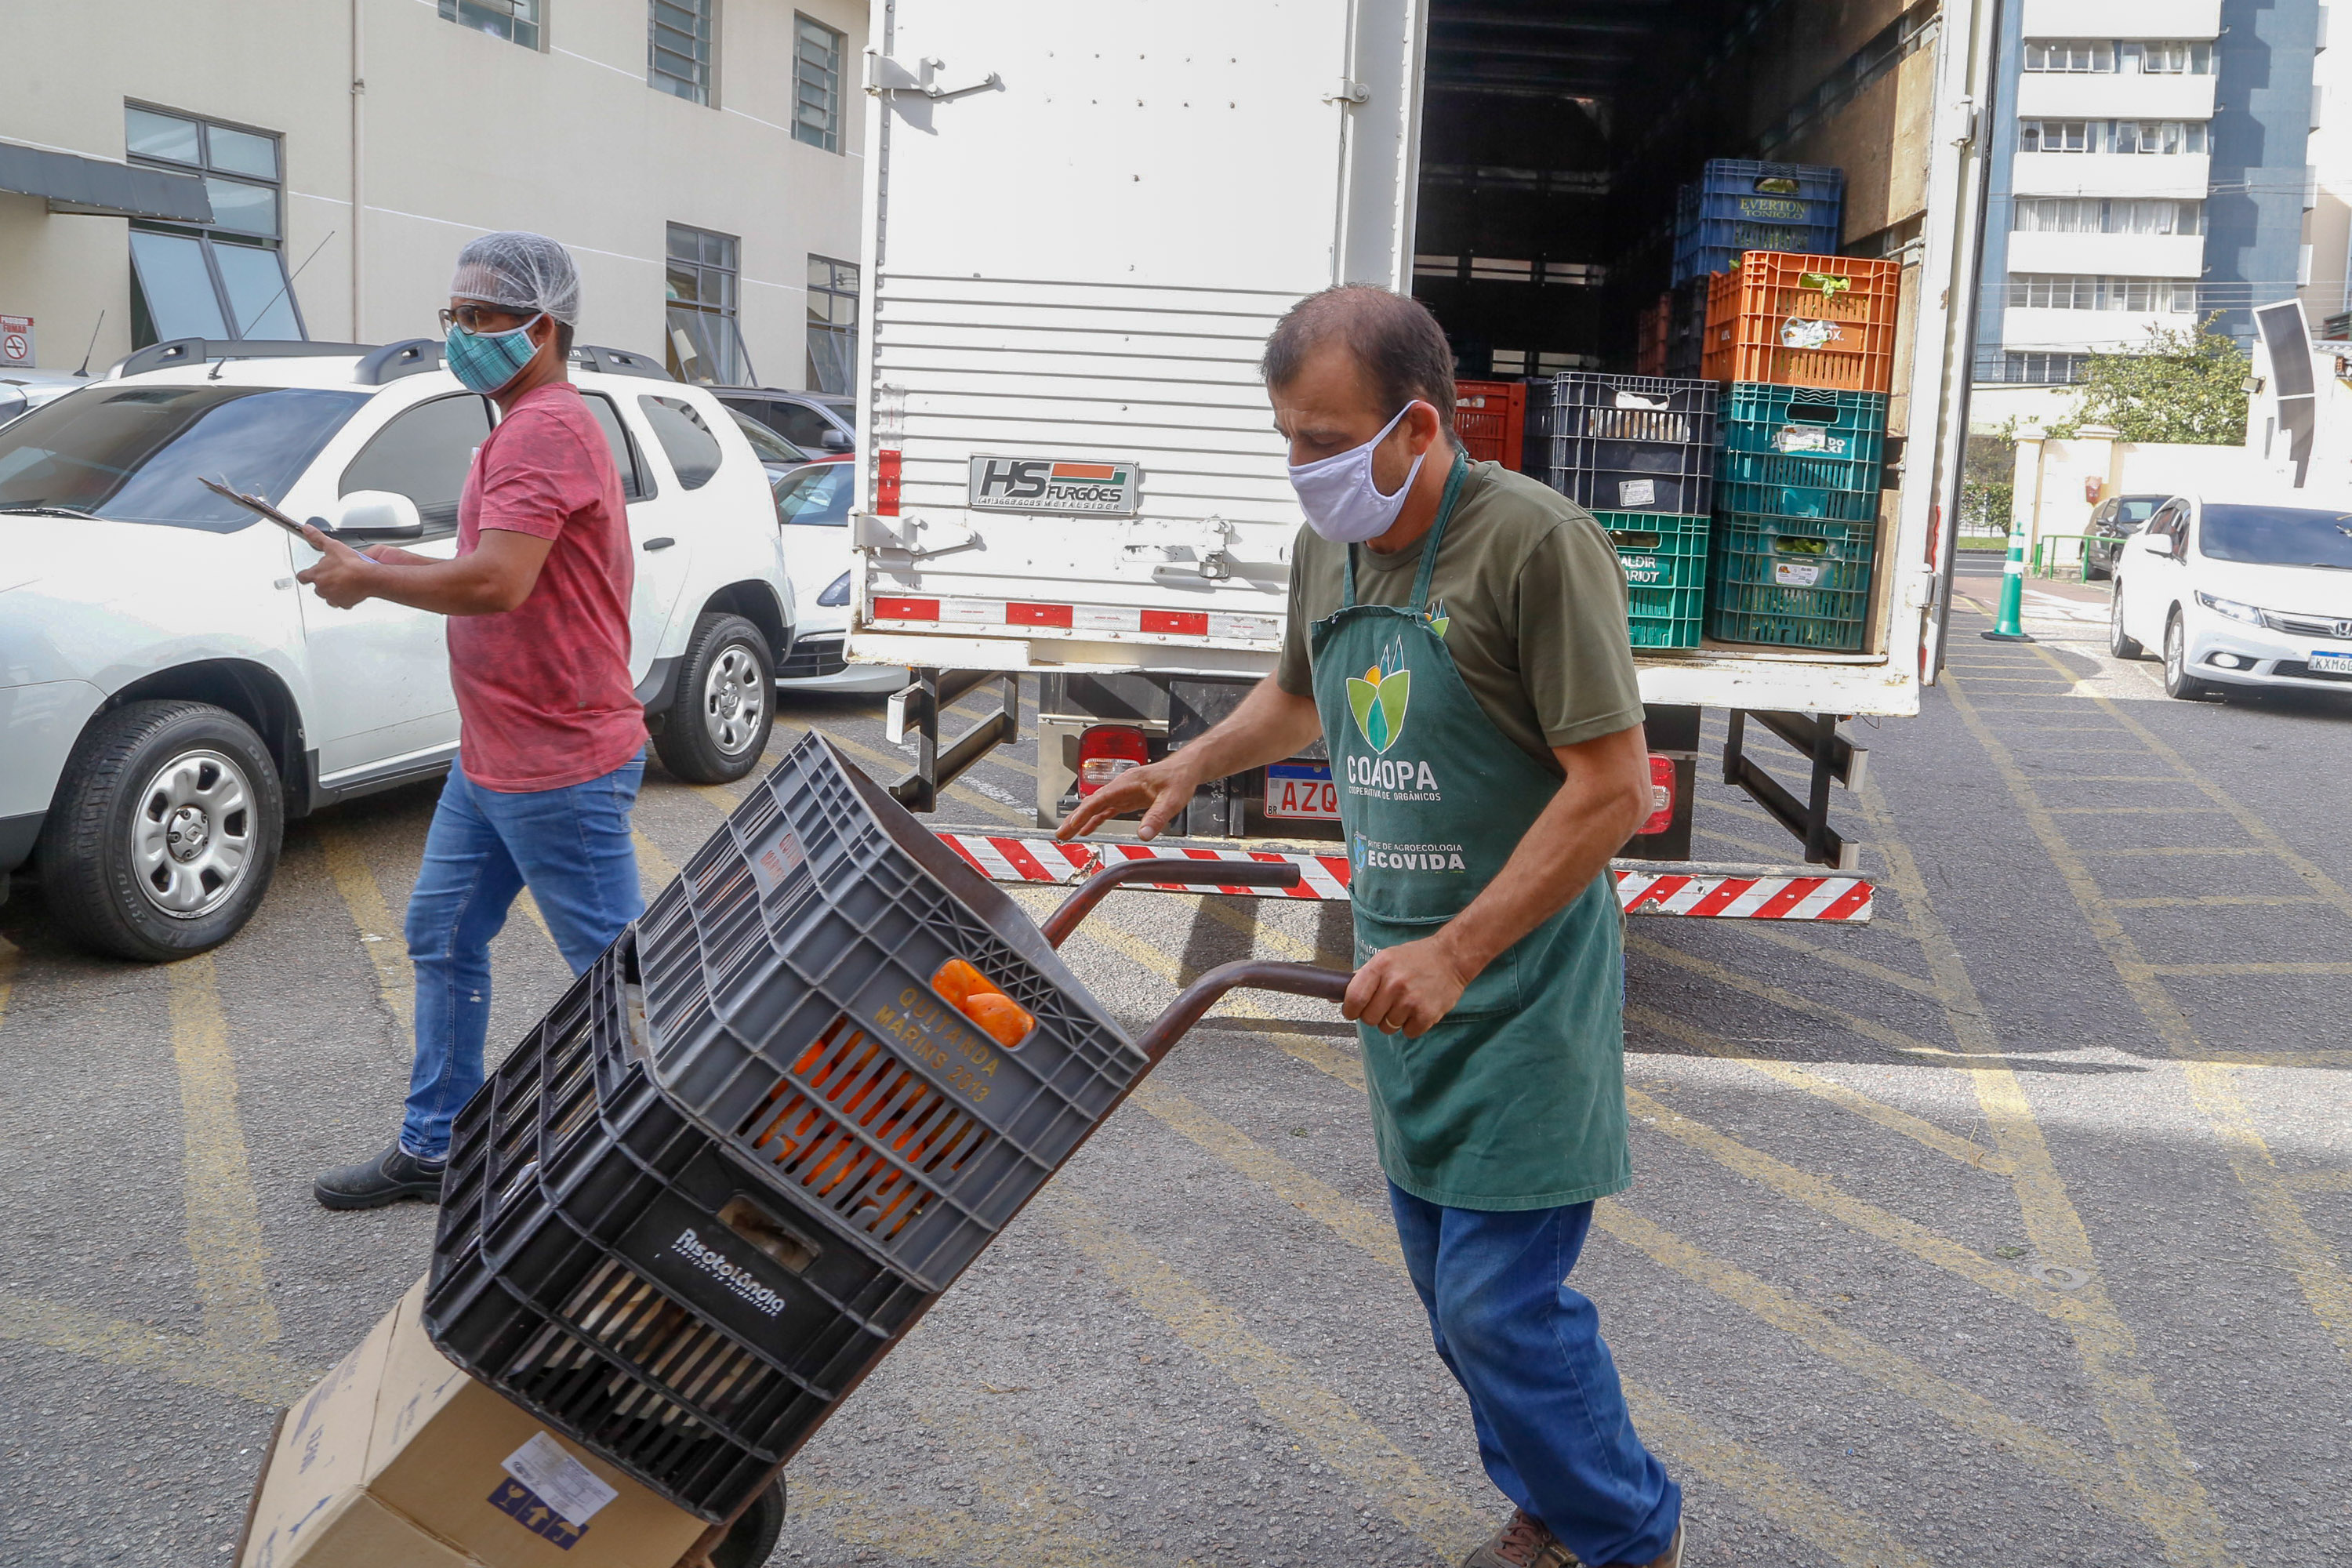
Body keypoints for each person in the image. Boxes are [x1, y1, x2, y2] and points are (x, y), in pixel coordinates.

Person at [1060, 285, 1682, 1568]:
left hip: (1514, 996)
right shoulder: (1329, 549)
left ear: (1414, 426)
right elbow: (1297, 700)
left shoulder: (1532, 547)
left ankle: (1626, 1532)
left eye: (1324, 439)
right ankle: (1552, 1504)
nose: (1303, 466)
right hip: (1399, 988)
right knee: (1451, 1309)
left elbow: (1613, 789)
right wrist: (1190, 763)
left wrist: (1459, 951)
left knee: (1500, 1307)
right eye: (1287, 435)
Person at [308, 232, 646, 1210]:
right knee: (442, 932)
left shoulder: (544, 425)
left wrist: (372, 579)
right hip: (498, 753)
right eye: (454, 316)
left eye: (485, 318)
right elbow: (498, 565)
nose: (461, 334)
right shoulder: (518, 425)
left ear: (543, 327)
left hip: (559, 758)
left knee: (620, 978)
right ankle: (435, 1142)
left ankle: (683, 1156)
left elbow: (501, 582)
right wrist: (395, 562)